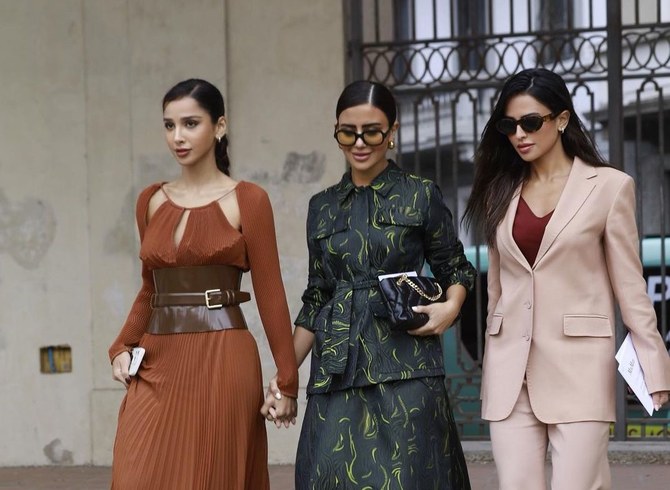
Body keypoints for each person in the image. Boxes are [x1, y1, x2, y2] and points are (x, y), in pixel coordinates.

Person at [463, 68, 670, 490]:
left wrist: (653, 362)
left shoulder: (610, 187)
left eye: (530, 122)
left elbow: (631, 287)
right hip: (510, 373)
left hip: (580, 368)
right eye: (509, 126)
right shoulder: (499, 191)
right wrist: (494, 353)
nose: (519, 134)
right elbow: (497, 290)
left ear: (561, 120)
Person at [262, 80, 475, 489]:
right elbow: (317, 296)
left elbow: (456, 269)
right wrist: (285, 374)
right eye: (348, 133)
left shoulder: (419, 195)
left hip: (406, 364)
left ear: (392, 131)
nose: (359, 143)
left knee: (410, 479)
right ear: (336, 131)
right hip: (336, 367)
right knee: (326, 476)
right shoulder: (322, 207)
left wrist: (450, 309)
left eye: (372, 132)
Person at [108, 78, 298, 490]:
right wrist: (121, 345)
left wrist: (287, 381)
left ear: (220, 126)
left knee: (213, 478)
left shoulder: (248, 199)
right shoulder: (150, 201)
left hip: (223, 359)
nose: (177, 136)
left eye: (190, 123)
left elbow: (270, 293)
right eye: (169, 125)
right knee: (134, 474)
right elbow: (150, 288)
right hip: (157, 358)